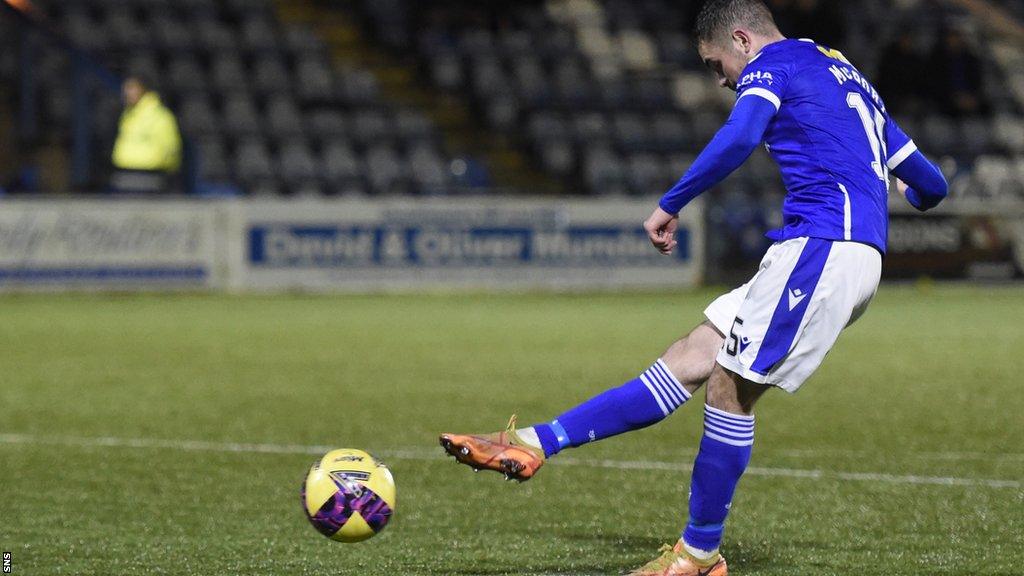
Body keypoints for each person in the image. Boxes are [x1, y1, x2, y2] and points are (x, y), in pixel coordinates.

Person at [440, 1, 949, 575]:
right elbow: (931, 184)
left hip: (823, 249)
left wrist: (670, 202)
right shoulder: (844, 71)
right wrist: (906, 198)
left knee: (729, 390)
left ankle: (699, 555)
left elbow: (740, 136)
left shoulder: (772, 65)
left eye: (716, 64)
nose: (722, 79)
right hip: (827, 251)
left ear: (741, 38)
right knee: (689, 358)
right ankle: (534, 442)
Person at [110, 75, 182, 193]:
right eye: (126, 89)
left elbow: (171, 147)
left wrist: (167, 172)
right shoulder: (127, 114)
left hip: (150, 178)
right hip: (125, 175)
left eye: (132, 88)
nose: (127, 93)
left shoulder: (160, 116)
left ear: (144, 90)